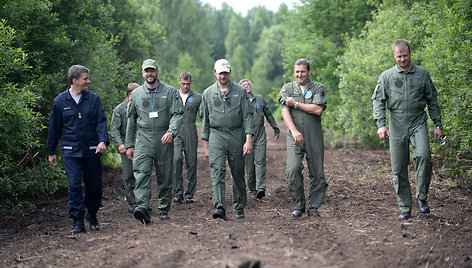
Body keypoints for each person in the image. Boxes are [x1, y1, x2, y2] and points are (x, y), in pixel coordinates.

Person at [372, 39, 443, 220]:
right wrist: (381, 124)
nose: (402, 59)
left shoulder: (422, 74)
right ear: (394, 56)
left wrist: (437, 124)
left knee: (424, 156)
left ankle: (421, 198)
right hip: (396, 122)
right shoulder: (387, 76)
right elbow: (378, 101)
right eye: (399, 56)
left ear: (410, 54)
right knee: (398, 166)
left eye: (405, 55)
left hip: (418, 119)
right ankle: (404, 206)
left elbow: (432, 100)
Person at [46, 65, 109, 234]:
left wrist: (103, 140)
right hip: (70, 151)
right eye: (85, 78)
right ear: (74, 80)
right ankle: (77, 221)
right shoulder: (60, 101)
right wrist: (51, 151)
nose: (88, 81)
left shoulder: (94, 99)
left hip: (92, 150)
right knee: (73, 186)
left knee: (94, 187)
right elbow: (54, 128)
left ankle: (93, 214)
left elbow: (101, 122)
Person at [125, 59, 184, 224]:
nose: (149, 74)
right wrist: (129, 144)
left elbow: (178, 113)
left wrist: (171, 131)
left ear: (157, 72)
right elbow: (131, 120)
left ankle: (164, 208)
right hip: (143, 137)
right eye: (146, 71)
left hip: (163, 137)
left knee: (164, 175)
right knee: (141, 173)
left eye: (152, 70)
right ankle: (142, 206)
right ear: (142, 73)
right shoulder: (136, 94)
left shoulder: (171, 92)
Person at [201, 59, 254, 220]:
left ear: (229, 73)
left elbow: (247, 116)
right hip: (216, 134)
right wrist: (206, 145)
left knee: (237, 171)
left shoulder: (240, 91)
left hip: (236, 134)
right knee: (217, 170)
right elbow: (205, 120)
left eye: (225, 72)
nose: (223, 76)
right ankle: (219, 206)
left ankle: (239, 206)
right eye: (220, 73)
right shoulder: (208, 93)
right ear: (215, 73)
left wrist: (248, 139)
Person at [278, 59, 327, 218]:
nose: (299, 74)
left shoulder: (318, 88)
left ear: (309, 72)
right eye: (297, 71)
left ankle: (313, 206)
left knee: (317, 171)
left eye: (303, 71)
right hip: (295, 134)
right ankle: (299, 204)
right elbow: (285, 111)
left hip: (313, 134)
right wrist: (294, 131)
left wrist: (296, 104)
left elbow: (318, 109)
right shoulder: (287, 88)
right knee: (292, 169)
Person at [239, 79, 279, 199]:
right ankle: (252, 189)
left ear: (251, 86)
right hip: (246, 136)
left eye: (248, 84)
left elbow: (268, 114)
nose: (246, 86)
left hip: (260, 133)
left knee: (260, 161)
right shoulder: (239, 102)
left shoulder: (260, 99)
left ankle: (260, 188)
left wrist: (275, 127)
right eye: (243, 86)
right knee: (250, 165)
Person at [172, 72, 202, 204]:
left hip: (190, 129)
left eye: (188, 84)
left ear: (191, 82)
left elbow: (203, 115)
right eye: (183, 84)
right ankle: (178, 191)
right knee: (177, 159)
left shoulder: (197, 97)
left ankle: (190, 193)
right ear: (179, 81)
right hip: (175, 130)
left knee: (192, 162)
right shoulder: (173, 96)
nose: (185, 86)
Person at [110, 82, 139, 213]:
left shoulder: (139, 108)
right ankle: (132, 202)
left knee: (142, 174)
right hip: (125, 147)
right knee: (128, 176)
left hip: (140, 145)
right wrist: (121, 144)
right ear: (129, 94)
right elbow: (114, 130)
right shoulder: (119, 110)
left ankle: (142, 201)